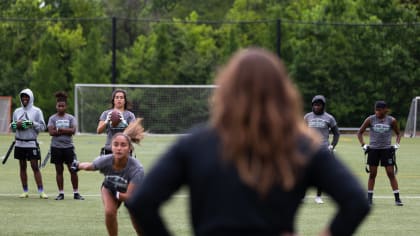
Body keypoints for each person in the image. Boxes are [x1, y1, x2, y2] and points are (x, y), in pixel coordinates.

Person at [126, 48, 370, 236]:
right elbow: (356, 202)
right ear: (283, 93)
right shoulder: (301, 147)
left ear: (226, 91)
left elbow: (141, 203)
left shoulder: (195, 145)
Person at [72, 118, 145, 236]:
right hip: (109, 189)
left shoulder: (137, 169)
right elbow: (89, 166)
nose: (119, 148)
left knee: (138, 222)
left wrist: (116, 192)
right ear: (111, 147)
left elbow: (128, 197)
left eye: (123, 145)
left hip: (130, 194)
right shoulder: (105, 160)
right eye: (116, 145)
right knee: (109, 212)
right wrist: (78, 165)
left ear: (130, 149)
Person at [357, 100, 403, 206]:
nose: (377, 112)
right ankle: (369, 199)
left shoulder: (392, 120)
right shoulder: (370, 119)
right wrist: (363, 145)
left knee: (390, 173)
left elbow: (398, 134)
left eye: (379, 110)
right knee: (372, 174)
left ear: (385, 110)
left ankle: (397, 199)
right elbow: (359, 132)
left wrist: (397, 145)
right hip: (373, 149)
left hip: (386, 150)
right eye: (376, 110)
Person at [10, 88, 48, 199]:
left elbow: (43, 127)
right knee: (22, 167)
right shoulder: (17, 111)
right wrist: (16, 125)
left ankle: (41, 191)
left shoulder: (36, 111)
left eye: (27, 96)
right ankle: (25, 191)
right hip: (19, 143)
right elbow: (12, 126)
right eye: (23, 97)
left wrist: (31, 123)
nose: (24, 99)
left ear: (30, 98)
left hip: (31, 142)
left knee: (35, 166)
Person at [47, 91, 84, 200]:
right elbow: (51, 132)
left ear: (66, 106)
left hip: (68, 147)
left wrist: (60, 129)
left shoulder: (70, 118)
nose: (61, 108)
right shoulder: (52, 118)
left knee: (72, 170)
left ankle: (76, 193)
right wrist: (65, 131)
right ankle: (61, 193)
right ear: (56, 106)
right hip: (56, 147)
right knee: (59, 171)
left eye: (63, 106)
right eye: (59, 106)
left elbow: (73, 131)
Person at [304, 95, 340, 204]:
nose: (316, 107)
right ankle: (302, 195)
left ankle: (318, 196)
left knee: (320, 174)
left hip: (323, 149)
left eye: (319, 105)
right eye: (315, 104)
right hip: (309, 149)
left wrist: (332, 146)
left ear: (323, 106)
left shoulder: (329, 118)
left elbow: (336, 133)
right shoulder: (307, 117)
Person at [97, 89, 136, 155]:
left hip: (125, 148)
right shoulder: (106, 113)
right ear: (113, 100)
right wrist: (106, 121)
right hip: (110, 147)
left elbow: (134, 132)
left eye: (121, 97)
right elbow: (99, 131)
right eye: (117, 97)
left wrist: (125, 123)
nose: (119, 99)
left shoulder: (130, 115)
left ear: (125, 101)